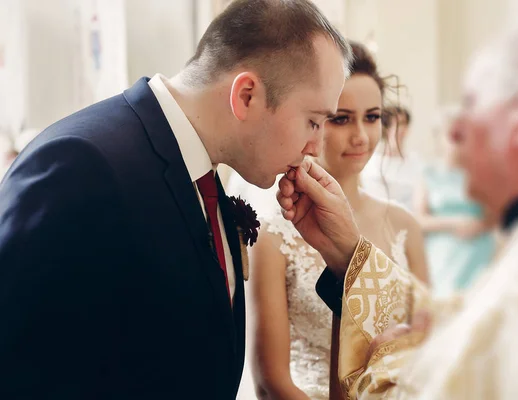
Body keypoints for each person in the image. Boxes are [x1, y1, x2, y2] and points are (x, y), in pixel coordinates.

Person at [0, 1, 351, 398]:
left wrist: (342, 256)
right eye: (313, 121)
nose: (316, 147)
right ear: (247, 96)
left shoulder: (208, 175)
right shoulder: (80, 165)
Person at [277, 19, 518, 399]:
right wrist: (347, 253)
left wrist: (388, 362)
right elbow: (458, 327)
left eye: (472, 105)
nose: (457, 130)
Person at [247, 42, 429, 400]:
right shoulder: (274, 236)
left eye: (373, 117)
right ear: (313, 121)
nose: (361, 136)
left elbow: (429, 342)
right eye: (341, 118)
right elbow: (272, 381)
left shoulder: (405, 225)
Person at [414, 105, 495, 296]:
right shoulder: (428, 174)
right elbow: (419, 219)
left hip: (479, 250)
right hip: (443, 253)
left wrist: (481, 224)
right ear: (440, 138)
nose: (459, 142)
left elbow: (497, 214)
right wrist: (455, 223)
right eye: (453, 135)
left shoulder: (482, 173)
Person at [361, 105, 424, 209]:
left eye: (403, 124)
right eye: (393, 124)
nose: (398, 129)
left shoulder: (415, 161)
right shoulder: (372, 163)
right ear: (385, 128)